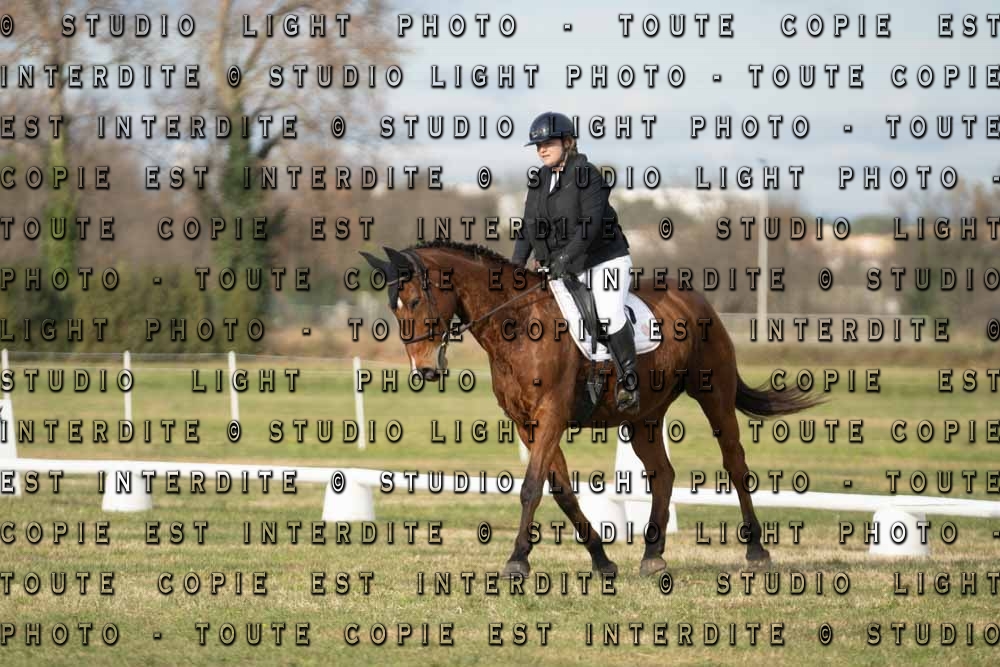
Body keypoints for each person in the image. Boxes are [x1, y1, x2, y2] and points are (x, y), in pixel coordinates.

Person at [511, 110, 639, 413]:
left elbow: (590, 225)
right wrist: (515, 267)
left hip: (604, 260)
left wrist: (565, 257)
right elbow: (529, 226)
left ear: (568, 142)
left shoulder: (588, 175)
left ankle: (629, 383)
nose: (542, 150)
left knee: (608, 313)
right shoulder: (539, 180)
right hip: (561, 267)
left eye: (548, 143)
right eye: (538, 145)